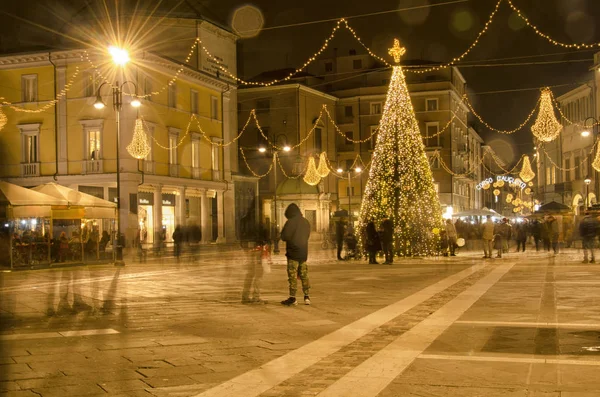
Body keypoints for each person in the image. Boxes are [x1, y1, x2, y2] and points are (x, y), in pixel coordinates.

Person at [280, 203, 311, 306]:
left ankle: (293, 297)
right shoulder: (306, 222)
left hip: (293, 253)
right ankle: (307, 297)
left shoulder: (290, 222)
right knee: (304, 275)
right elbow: (307, 236)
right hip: (303, 253)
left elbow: (285, 236)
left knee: (292, 275)